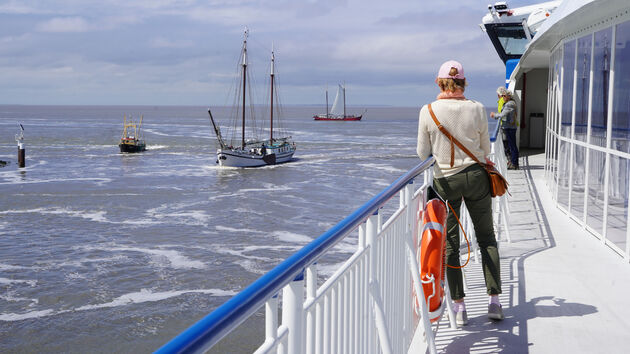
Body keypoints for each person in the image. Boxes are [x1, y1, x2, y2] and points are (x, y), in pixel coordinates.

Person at [416, 60, 504, 325]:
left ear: (439, 82)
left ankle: (460, 306)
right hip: (477, 177)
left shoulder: (428, 110)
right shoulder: (477, 108)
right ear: (464, 82)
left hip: (446, 181)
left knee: (451, 245)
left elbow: (422, 153)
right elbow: (484, 151)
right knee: (486, 238)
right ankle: (494, 301)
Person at [491, 90, 519, 169]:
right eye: (502, 96)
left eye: (504, 96)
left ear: (508, 96)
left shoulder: (510, 104)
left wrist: (494, 115)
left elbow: (503, 114)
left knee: (512, 146)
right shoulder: (510, 103)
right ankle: (514, 163)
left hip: (510, 128)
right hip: (510, 127)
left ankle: (514, 164)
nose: (502, 97)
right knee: (511, 145)